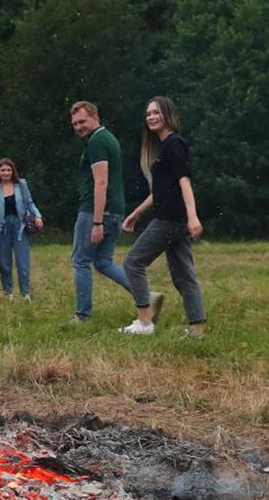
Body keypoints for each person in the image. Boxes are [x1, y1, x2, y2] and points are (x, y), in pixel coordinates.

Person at [120, 97, 205, 337]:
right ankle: (196, 331)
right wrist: (136, 213)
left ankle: (145, 322)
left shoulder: (173, 144)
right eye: (148, 114)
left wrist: (193, 216)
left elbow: (184, 180)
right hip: (175, 220)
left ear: (168, 115)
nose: (151, 117)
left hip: (170, 220)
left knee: (133, 263)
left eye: (156, 112)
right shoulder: (164, 147)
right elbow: (158, 191)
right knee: (184, 276)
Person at [69, 101, 133, 322]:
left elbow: (101, 182)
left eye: (82, 121)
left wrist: (97, 222)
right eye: (75, 123)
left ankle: (82, 315)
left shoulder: (96, 142)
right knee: (104, 261)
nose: (78, 127)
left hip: (95, 212)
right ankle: (146, 296)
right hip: (115, 210)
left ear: (95, 117)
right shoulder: (109, 139)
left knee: (80, 261)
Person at [0, 158, 43, 301]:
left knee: (23, 261)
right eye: (3, 170)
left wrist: (38, 216)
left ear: (13, 171)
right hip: (2, 228)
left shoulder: (21, 185)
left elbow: (30, 203)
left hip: (20, 226)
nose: (6, 173)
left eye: (9, 170)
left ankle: (25, 294)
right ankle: (8, 293)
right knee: (4, 263)